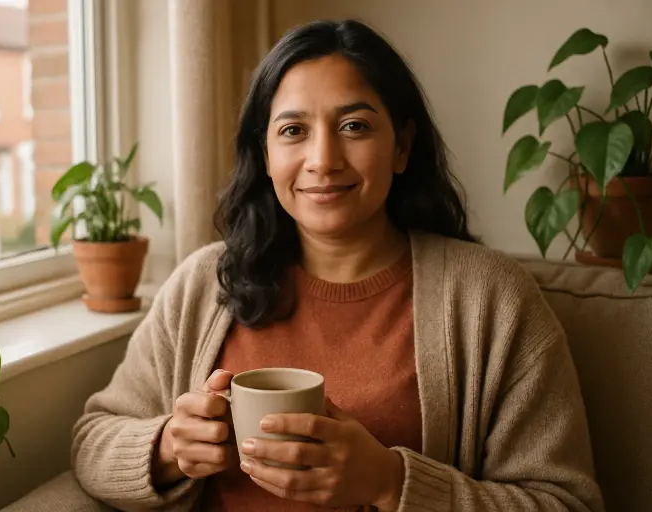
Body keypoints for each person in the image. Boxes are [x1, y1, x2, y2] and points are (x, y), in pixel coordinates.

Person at [71, 19, 605, 512]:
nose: (323, 160)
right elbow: (93, 437)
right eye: (292, 131)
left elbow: (568, 502)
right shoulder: (203, 284)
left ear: (402, 146)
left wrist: (391, 482)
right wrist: (167, 448)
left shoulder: (492, 299)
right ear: (264, 154)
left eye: (354, 126)